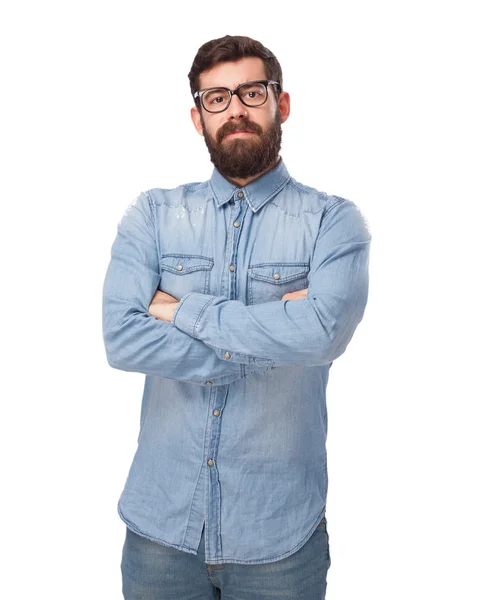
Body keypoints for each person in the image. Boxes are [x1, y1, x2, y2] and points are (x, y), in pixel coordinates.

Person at [102, 34, 371, 600]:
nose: (237, 109)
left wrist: (180, 310)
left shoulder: (333, 222)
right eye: (217, 98)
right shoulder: (153, 213)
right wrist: (277, 327)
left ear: (282, 104)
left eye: (252, 91)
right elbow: (123, 339)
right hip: (160, 533)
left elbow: (323, 333)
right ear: (198, 118)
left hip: (279, 537)